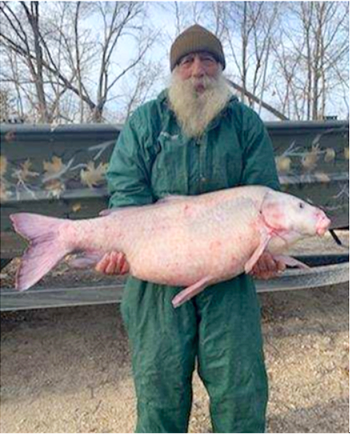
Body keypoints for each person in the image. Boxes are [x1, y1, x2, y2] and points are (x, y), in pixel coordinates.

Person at [96, 24, 285, 434]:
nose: (197, 69)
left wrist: (263, 252)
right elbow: (126, 195)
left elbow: (266, 198)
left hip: (228, 282)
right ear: (174, 70)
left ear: (220, 68)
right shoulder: (146, 123)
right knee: (159, 389)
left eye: (207, 60)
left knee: (240, 392)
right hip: (156, 287)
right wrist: (119, 250)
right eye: (186, 61)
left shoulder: (245, 125)